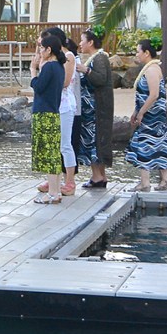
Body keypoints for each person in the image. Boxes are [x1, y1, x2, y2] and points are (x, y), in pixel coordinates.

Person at [126, 40, 167, 192]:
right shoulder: (150, 68)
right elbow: (143, 94)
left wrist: (141, 113)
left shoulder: (152, 70)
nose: (136, 54)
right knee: (157, 144)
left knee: (145, 145)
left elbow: (153, 94)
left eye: (138, 51)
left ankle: (145, 182)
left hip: (152, 116)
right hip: (151, 114)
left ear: (146, 53)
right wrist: (136, 111)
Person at [36, 28, 78, 196]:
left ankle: (70, 181)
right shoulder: (52, 61)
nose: (41, 46)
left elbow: (65, 82)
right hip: (53, 105)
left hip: (64, 105)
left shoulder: (67, 57)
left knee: (64, 145)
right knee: (53, 145)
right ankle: (55, 180)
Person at [30, 34, 67, 204]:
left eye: (41, 48)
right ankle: (56, 191)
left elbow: (38, 86)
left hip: (44, 114)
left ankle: (52, 193)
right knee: (53, 153)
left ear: (49, 50)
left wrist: (33, 70)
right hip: (53, 113)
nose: (40, 51)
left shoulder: (50, 67)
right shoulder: (59, 67)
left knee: (49, 154)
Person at [75, 28, 114, 188]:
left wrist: (86, 70)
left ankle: (97, 176)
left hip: (96, 109)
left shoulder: (99, 58)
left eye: (82, 40)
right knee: (98, 140)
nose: (80, 44)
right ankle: (100, 175)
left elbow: (100, 79)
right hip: (96, 107)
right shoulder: (97, 58)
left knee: (94, 140)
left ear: (90, 42)